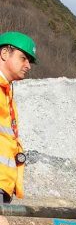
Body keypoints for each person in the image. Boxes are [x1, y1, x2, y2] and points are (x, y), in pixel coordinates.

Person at [0, 31, 36, 203]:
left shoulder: (7, 93)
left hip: (4, 184)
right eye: (23, 58)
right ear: (5, 53)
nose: (28, 66)